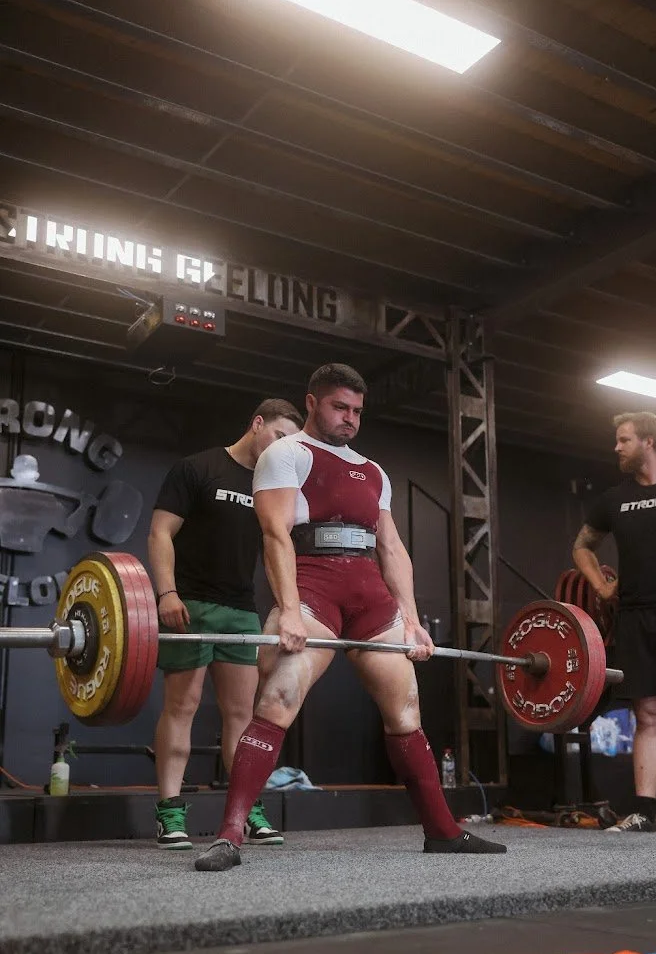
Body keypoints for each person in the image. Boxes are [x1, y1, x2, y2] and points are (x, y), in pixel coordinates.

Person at [194, 363, 506, 870]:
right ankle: (230, 835)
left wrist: (410, 619)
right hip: (313, 587)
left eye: (358, 410)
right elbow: (274, 535)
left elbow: (391, 546)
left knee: (406, 713)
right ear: (313, 402)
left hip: (369, 596)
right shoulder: (286, 454)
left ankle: (443, 832)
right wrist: (290, 609)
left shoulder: (372, 470)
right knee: (277, 700)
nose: (350, 419)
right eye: (340, 407)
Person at [148, 398, 303, 850]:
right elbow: (160, 533)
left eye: (291, 443)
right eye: (279, 436)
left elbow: (278, 546)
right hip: (191, 605)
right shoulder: (197, 468)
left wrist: (288, 605)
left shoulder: (270, 486)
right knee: (183, 706)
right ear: (257, 424)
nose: (284, 448)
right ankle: (169, 812)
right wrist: (167, 593)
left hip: (240, 610)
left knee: (244, 714)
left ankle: (245, 809)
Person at [572, 411, 656, 833]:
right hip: (636, 616)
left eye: (624, 440)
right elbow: (583, 547)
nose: (616, 448)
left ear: (648, 441)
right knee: (648, 714)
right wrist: (603, 590)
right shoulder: (614, 499)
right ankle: (644, 812)